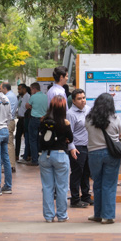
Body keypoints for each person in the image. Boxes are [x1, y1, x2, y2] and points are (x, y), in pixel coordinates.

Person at [85, 93, 121, 224]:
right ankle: (108, 216)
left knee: (97, 183)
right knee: (109, 185)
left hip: (94, 154)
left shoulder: (89, 119)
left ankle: (98, 214)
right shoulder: (115, 118)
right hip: (111, 154)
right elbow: (119, 134)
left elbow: (88, 132)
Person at [39, 95, 73, 223]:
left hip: (45, 155)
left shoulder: (43, 120)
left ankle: (48, 216)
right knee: (62, 187)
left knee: (47, 187)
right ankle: (62, 215)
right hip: (60, 155)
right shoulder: (64, 123)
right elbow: (71, 139)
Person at [67, 89, 92, 208]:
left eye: (84, 97)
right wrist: (71, 148)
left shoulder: (88, 109)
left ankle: (86, 196)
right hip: (77, 147)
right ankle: (75, 199)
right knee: (77, 173)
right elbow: (69, 133)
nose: (83, 100)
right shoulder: (70, 114)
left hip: (88, 146)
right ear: (74, 101)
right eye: (79, 99)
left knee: (86, 172)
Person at [21, 82, 48, 166]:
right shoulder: (46, 96)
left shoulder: (33, 97)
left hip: (34, 120)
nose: (31, 90)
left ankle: (35, 160)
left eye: (31, 89)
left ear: (34, 89)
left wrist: (30, 106)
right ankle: (43, 158)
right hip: (43, 120)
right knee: (42, 139)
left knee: (32, 140)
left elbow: (27, 106)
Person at [1, 83, 18, 172]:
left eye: (1, 88)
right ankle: (10, 164)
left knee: (8, 143)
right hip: (10, 120)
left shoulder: (7, 96)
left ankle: (11, 165)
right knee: (9, 143)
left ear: (4, 88)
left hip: (8, 121)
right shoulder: (13, 95)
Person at [15, 84, 30, 161]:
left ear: (24, 89)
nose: (18, 91)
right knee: (17, 137)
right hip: (20, 119)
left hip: (25, 119)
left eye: (19, 89)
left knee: (26, 137)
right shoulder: (20, 97)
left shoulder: (28, 97)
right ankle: (16, 154)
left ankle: (27, 154)